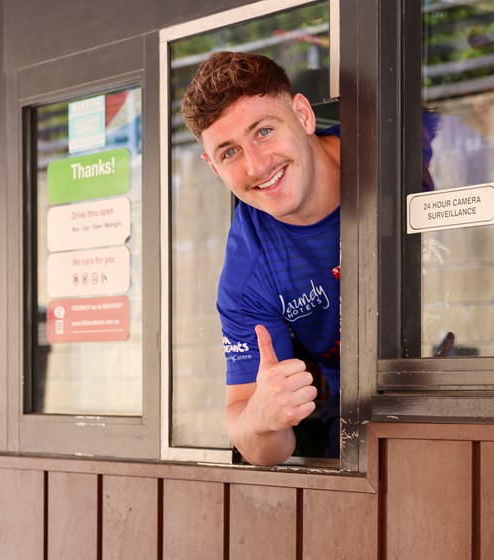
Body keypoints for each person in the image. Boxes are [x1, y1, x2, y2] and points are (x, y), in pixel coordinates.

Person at [180, 51, 341, 466]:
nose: (256, 165)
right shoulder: (246, 274)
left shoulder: (410, 149)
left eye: (264, 131)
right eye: (229, 153)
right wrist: (263, 418)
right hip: (371, 424)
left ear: (303, 114)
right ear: (213, 168)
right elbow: (260, 446)